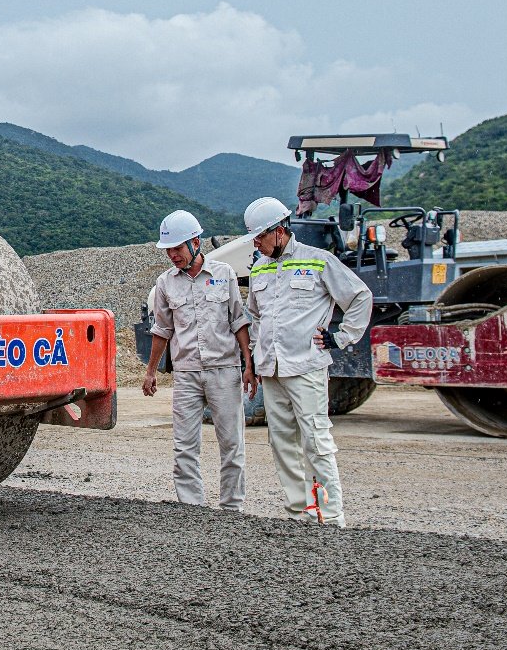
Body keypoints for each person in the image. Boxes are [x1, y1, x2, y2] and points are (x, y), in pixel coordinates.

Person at [243, 196, 372, 527]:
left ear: (280, 231)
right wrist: (255, 359)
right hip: (271, 370)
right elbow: (256, 316)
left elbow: (360, 297)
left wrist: (341, 338)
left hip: (306, 368)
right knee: (281, 440)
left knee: (316, 440)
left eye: (260, 237)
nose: (256, 244)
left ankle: (330, 516)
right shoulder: (260, 267)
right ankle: (299, 513)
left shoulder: (319, 261)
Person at [142, 209, 258, 510]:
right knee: (184, 447)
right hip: (187, 374)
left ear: (195, 242)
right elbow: (162, 330)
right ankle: (192, 511)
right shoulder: (166, 283)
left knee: (232, 444)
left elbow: (238, 321)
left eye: (177, 248)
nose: (172, 255)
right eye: (168, 249)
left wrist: (249, 366)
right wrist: (151, 371)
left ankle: (232, 510)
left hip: (225, 371)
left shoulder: (224, 275)